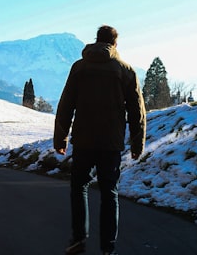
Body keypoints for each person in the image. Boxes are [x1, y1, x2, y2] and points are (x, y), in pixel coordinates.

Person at [54, 25, 146, 255]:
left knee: (79, 187)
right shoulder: (125, 70)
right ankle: (107, 248)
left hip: (83, 140)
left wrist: (61, 137)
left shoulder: (79, 67)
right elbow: (137, 111)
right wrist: (137, 143)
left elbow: (66, 104)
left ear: (96, 40)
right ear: (115, 43)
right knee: (109, 193)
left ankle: (78, 239)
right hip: (111, 143)